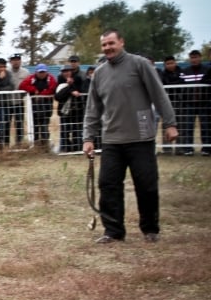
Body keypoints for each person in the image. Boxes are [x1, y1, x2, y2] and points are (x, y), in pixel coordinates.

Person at [83, 28, 178, 244]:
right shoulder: (99, 73)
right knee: (108, 185)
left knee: (146, 185)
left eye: (111, 43)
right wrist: (88, 137)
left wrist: (170, 123)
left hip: (140, 138)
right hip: (112, 140)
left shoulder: (140, 64)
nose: (107, 48)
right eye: (104, 44)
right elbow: (93, 109)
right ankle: (113, 231)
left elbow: (158, 94)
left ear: (121, 42)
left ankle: (150, 229)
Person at [179, 50, 210, 156]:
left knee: (206, 126)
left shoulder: (207, 70)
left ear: (200, 58)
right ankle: (188, 149)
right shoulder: (185, 71)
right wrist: (183, 100)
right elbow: (180, 87)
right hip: (189, 103)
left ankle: (206, 148)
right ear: (189, 59)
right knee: (188, 126)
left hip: (204, 103)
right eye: (192, 57)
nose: (194, 60)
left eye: (196, 57)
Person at [19, 64, 57, 149]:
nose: (42, 74)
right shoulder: (31, 78)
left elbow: (53, 88)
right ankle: (35, 144)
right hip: (34, 106)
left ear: (46, 72)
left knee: (44, 126)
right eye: (40, 72)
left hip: (46, 106)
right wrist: (33, 90)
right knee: (34, 126)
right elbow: (22, 86)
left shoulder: (50, 78)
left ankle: (45, 144)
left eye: (43, 72)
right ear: (36, 72)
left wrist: (41, 94)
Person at [8, 53, 30, 143]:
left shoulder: (26, 72)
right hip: (7, 102)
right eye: (14, 60)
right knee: (6, 124)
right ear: (10, 61)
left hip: (19, 102)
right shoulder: (6, 71)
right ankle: (6, 143)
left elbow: (29, 85)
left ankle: (19, 143)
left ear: (20, 61)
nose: (16, 62)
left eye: (17, 59)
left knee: (19, 123)